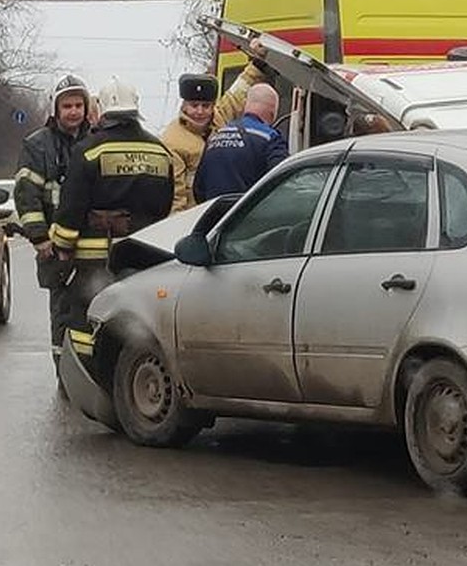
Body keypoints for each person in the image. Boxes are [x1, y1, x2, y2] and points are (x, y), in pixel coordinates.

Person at [48, 77, 174, 366]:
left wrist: (62, 247)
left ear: (101, 110)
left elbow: (71, 208)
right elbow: (165, 206)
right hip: (145, 252)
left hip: (96, 259)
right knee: (139, 317)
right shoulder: (159, 150)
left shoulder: (89, 150)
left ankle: (89, 375)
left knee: (86, 316)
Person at [13, 73, 92, 372]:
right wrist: (40, 238)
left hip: (90, 242)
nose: (73, 111)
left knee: (91, 309)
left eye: (78, 105)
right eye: (67, 106)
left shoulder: (95, 140)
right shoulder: (37, 145)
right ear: (55, 110)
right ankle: (64, 370)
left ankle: (90, 370)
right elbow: (26, 195)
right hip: (54, 247)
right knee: (62, 310)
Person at [193, 81, 288, 204]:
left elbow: (198, 189)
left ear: (245, 105)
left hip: (215, 218)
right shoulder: (270, 138)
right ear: (273, 112)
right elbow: (283, 183)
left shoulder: (215, 137)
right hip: (249, 219)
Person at [160, 72, 218, 213]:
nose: (200, 111)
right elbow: (176, 194)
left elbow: (235, 99)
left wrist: (257, 66)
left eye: (205, 106)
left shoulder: (218, 122)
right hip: (193, 217)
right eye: (194, 105)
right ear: (184, 105)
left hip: (219, 212)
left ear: (213, 107)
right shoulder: (171, 141)